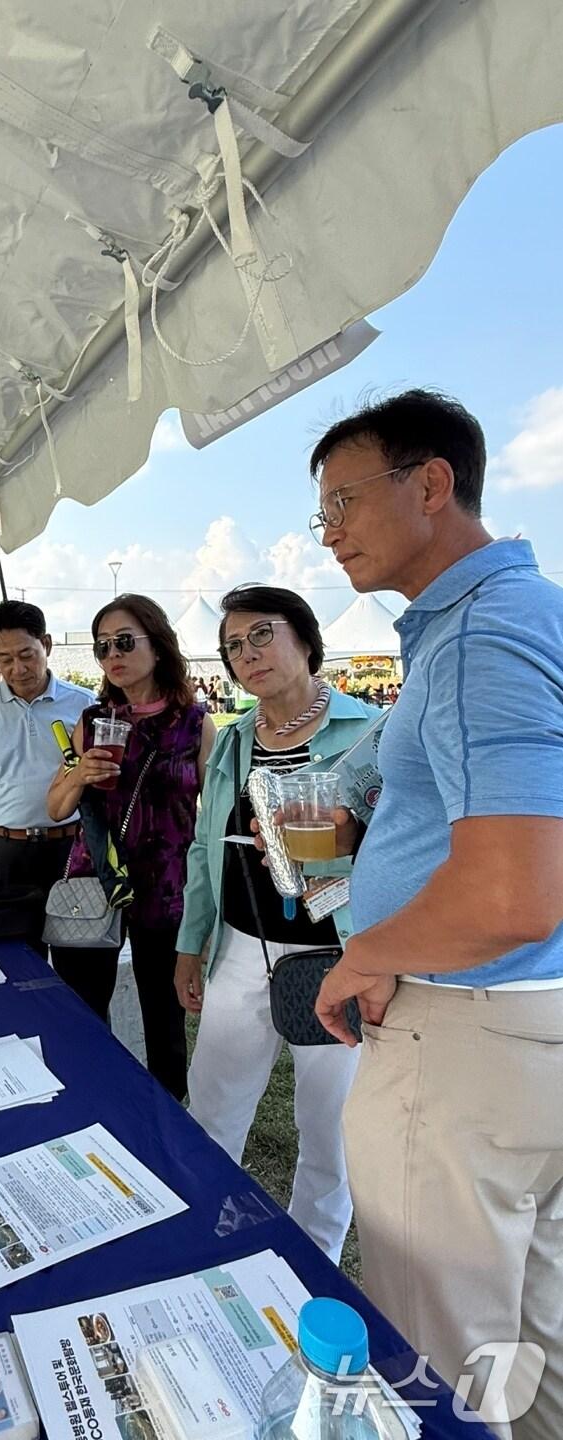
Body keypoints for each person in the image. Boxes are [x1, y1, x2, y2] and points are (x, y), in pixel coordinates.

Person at [308, 389, 563, 1438]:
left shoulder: (474, 637)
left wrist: (367, 948)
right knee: (534, 1330)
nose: (328, 533)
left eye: (343, 502)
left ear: (430, 484)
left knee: (437, 1352)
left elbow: (511, 890)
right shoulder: (530, 609)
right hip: (530, 1027)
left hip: (465, 1030)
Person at [174, 585, 376, 1261]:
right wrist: (189, 943)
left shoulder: (367, 732)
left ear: (304, 637)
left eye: (261, 634)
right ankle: (203, 1239)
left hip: (335, 957)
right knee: (212, 1110)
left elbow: (402, 842)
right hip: (239, 949)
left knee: (328, 1129)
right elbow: (206, 851)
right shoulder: (232, 741)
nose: (246, 654)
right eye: (232, 645)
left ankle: (310, 1261)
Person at [47, 595, 216, 1097]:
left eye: (124, 642)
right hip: (94, 880)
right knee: (83, 1010)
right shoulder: (93, 718)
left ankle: (167, 1123)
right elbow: (56, 807)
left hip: (165, 888)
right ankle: (91, 1103)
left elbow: (211, 818)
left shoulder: (195, 724)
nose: (112, 655)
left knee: (164, 1018)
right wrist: (81, 775)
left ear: (159, 645)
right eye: (102, 647)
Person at [0, 601, 93, 947]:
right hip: (4, 853)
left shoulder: (86, 704)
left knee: (80, 965)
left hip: (72, 850)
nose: (18, 668)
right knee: (13, 961)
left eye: (26, 654)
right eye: (5, 659)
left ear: (46, 644)